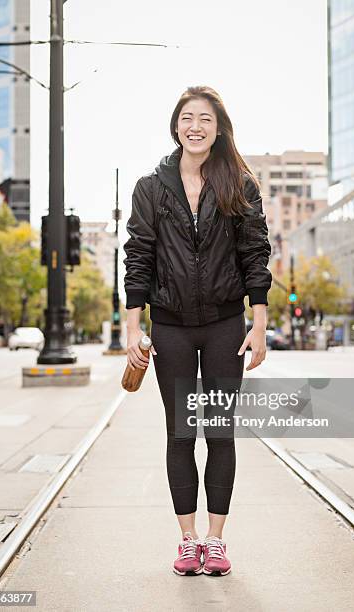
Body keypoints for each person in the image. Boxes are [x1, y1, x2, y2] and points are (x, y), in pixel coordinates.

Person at [123, 85, 272, 576]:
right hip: (170, 326)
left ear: (219, 128)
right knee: (182, 433)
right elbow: (139, 256)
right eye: (188, 117)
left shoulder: (239, 184)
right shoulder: (151, 186)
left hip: (227, 324)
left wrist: (260, 322)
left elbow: (255, 253)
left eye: (205, 118)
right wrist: (133, 327)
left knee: (220, 432)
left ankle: (216, 540)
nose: (196, 126)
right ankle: (187, 541)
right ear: (176, 126)